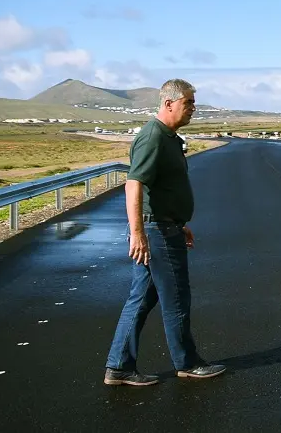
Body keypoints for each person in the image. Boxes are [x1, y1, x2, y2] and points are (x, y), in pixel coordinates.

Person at [103, 78, 226, 386]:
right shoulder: (153, 137)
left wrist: (178, 221)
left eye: (193, 104)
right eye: (189, 104)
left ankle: (119, 367)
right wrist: (138, 232)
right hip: (157, 232)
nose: (193, 110)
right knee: (176, 299)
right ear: (169, 104)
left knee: (142, 298)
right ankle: (187, 363)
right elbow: (134, 184)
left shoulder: (169, 137)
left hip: (165, 225)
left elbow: (162, 187)